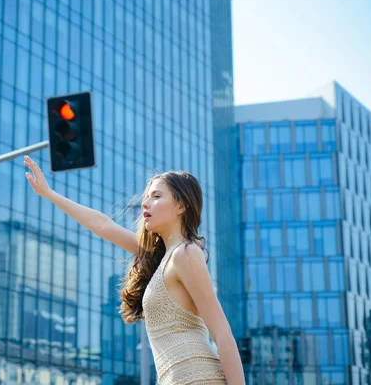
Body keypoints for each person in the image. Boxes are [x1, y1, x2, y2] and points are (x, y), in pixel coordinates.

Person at [24, 155, 245, 385]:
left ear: (181, 206)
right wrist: (50, 194)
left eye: (156, 196)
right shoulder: (161, 257)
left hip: (199, 376)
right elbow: (103, 225)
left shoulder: (185, 253)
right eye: (146, 197)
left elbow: (221, 332)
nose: (144, 204)